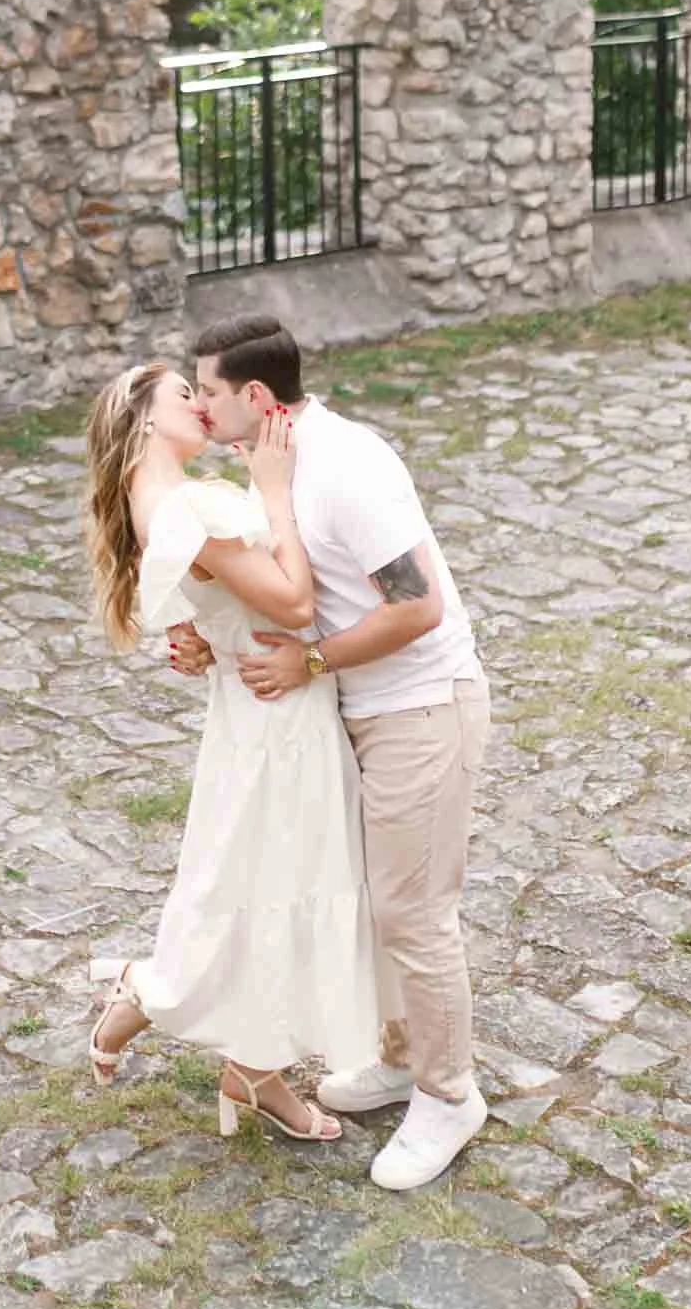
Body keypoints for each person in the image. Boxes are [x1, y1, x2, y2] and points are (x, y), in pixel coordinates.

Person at [175, 314, 491, 1192]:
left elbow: (416, 607)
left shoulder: (346, 467)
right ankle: (397, 1061)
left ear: (254, 396)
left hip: (420, 708)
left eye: (205, 390)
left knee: (414, 913)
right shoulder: (269, 462)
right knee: (372, 903)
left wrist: (309, 661)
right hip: (351, 712)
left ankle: (448, 1096)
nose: (197, 406)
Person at [82, 361, 380, 1141]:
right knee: (274, 882)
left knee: (268, 883)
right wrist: (274, 488)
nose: (202, 405)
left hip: (259, 707)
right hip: (277, 714)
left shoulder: (164, 504)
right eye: (185, 394)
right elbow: (293, 603)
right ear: (146, 421)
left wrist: (201, 640)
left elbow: (200, 616)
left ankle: (255, 1070)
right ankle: (153, 992)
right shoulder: (188, 504)